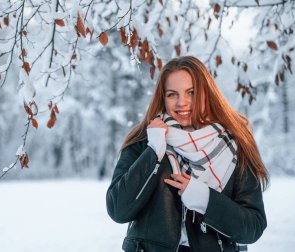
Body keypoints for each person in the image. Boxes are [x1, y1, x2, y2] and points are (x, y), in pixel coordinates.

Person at [106, 56, 268, 252]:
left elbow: (253, 227)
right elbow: (118, 210)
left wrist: (205, 199)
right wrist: (153, 152)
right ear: (162, 98)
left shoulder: (234, 145)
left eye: (191, 92)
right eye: (172, 94)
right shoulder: (144, 141)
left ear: (206, 94)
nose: (182, 103)